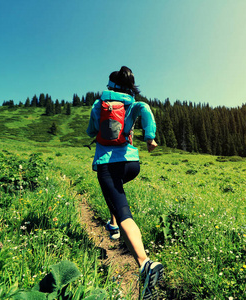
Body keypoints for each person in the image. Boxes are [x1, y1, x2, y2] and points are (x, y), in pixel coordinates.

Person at [86, 66, 163, 299]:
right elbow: (146, 109)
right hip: (132, 164)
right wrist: (150, 137)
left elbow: (91, 131)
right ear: (131, 87)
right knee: (115, 193)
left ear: (110, 85)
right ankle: (113, 225)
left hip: (107, 164)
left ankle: (145, 263)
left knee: (122, 209)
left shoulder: (99, 105)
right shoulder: (133, 103)